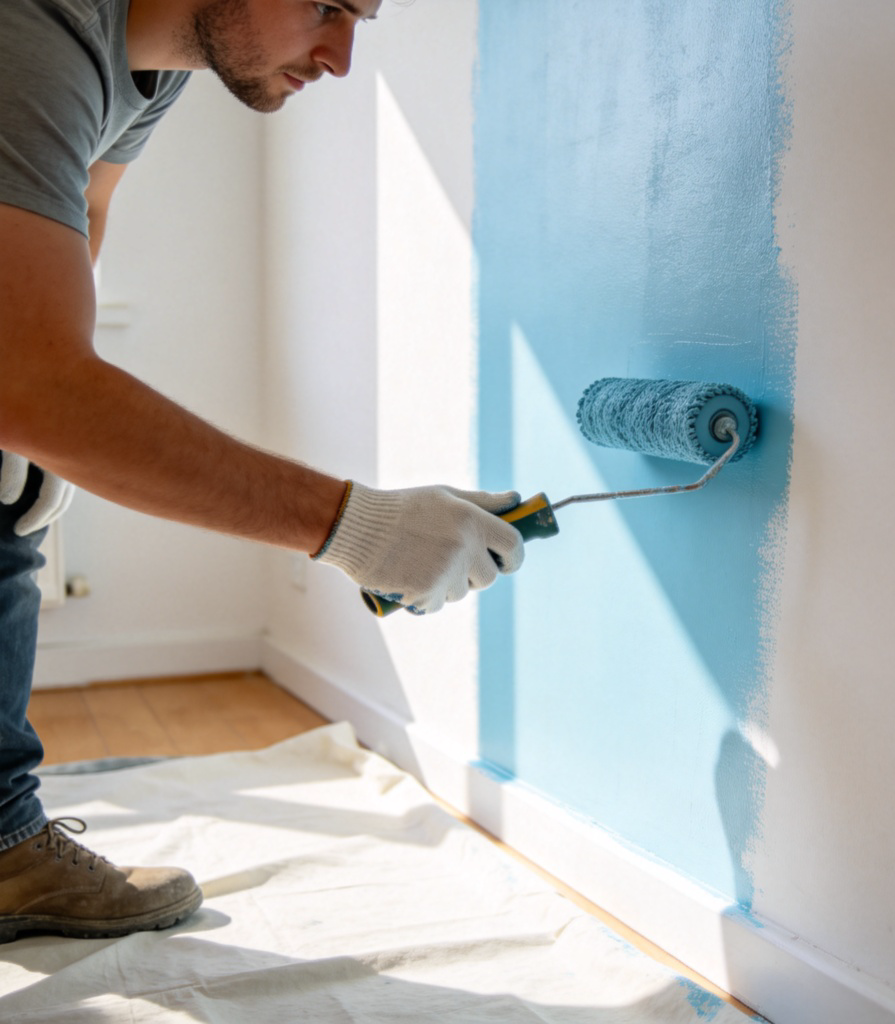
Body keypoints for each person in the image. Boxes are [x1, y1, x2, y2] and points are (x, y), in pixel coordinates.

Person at [0, 0, 525, 943]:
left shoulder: (154, 65)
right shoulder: (35, 32)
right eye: (326, 5)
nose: (339, 55)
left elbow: (84, 204)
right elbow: (30, 380)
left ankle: (0, 851)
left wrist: (40, 417)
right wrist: (360, 527)